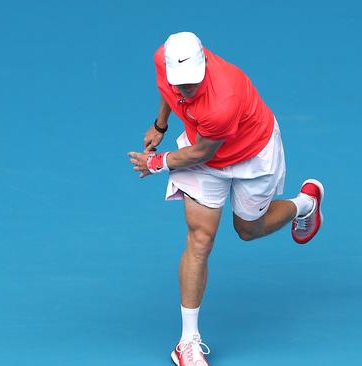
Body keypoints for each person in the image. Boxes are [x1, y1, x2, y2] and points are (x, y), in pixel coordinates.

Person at [128, 32, 324, 366]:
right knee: (200, 239)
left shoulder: (223, 99)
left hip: (250, 155)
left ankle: (305, 205)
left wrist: (158, 162)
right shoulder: (164, 59)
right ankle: (187, 341)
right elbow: (168, 91)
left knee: (248, 229)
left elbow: (202, 152)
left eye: (192, 83)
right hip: (203, 159)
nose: (185, 89)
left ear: (204, 65)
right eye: (181, 83)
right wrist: (160, 126)